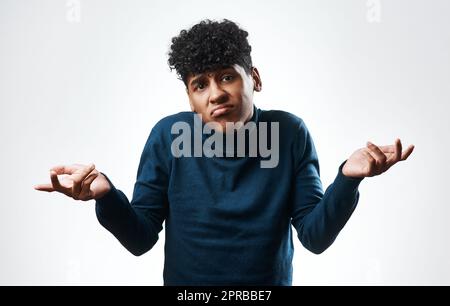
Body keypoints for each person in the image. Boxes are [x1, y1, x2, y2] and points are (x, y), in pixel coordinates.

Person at [34, 19, 414, 285]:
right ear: (190, 97)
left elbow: (314, 236)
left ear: (255, 79)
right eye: (200, 84)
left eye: (227, 76)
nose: (215, 93)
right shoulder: (169, 136)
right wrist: (106, 195)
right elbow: (141, 238)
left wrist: (347, 179)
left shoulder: (289, 132)